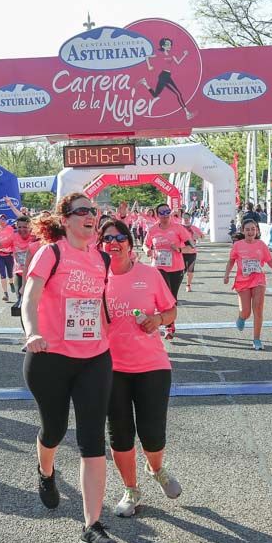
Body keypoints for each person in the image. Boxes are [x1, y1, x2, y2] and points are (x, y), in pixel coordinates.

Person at [21, 193, 118, 543]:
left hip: (94, 357)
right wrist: (31, 332)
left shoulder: (102, 259)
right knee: (54, 430)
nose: (91, 216)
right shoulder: (52, 252)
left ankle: (93, 526)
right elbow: (30, 296)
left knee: (92, 439)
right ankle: (46, 473)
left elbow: (101, 305)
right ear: (66, 220)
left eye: (94, 211)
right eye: (82, 212)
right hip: (50, 356)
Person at [98, 219, 181, 518]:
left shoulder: (149, 275)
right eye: (107, 238)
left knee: (152, 432)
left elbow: (171, 310)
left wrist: (158, 320)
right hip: (110, 368)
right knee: (119, 435)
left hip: (152, 365)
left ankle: (156, 469)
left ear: (130, 244)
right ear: (100, 246)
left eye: (119, 237)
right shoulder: (96, 279)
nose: (113, 242)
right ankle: (131, 489)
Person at [225, 219, 272, 350]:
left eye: (253, 229)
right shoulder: (238, 245)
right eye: (247, 229)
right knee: (246, 312)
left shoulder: (261, 245)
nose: (251, 232)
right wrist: (227, 275)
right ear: (242, 231)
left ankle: (256, 339)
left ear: (257, 230)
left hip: (258, 279)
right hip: (242, 281)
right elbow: (231, 261)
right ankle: (242, 317)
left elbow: (270, 261)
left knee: (258, 308)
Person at [144, 204, 191, 339]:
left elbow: (191, 246)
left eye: (167, 212)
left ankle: (170, 323)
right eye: (161, 213)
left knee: (172, 297)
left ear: (170, 213)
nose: (164, 215)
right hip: (158, 267)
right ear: (157, 215)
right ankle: (166, 326)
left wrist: (180, 249)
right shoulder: (152, 230)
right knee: (161, 297)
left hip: (176, 267)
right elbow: (145, 244)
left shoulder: (178, 228)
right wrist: (147, 250)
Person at [139, 37, 194, 120]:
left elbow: (178, 62)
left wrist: (184, 55)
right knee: (178, 94)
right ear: (163, 46)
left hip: (167, 76)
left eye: (170, 44)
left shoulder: (171, 54)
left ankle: (145, 83)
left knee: (155, 95)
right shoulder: (159, 54)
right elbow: (147, 57)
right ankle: (187, 113)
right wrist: (149, 66)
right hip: (163, 76)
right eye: (167, 44)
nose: (169, 46)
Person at [0, 215, 17, 301]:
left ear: (6, 221)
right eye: (0, 219)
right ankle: (5, 294)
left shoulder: (10, 229)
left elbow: (14, 240)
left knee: (10, 273)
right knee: (2, 275)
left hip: (9, 255)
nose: (2, 221)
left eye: (4, 219)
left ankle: (11, 283)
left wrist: (13, 251)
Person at [181, 213, 205, 292]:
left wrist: (198, 236)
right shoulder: (179, 228)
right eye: (184, 217)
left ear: (190, 218)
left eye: (187, 217)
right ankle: (177, 284)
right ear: (182, 218)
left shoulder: (194, 228)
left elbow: (202, 237)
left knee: (190, 270)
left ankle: (188, 285)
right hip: (181, 252)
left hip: (192, 252)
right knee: (181, 271)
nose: (186, 219)